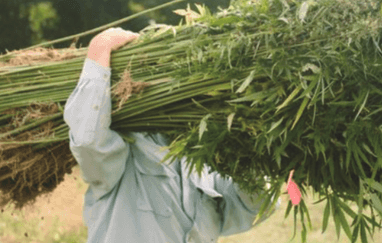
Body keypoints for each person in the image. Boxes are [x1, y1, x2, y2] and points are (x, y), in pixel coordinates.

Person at [63, 27, 272, 243]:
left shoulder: (206, 160)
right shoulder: (131, 149)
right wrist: (100, 48)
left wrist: (253, 144)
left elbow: (255, 206)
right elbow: (89, 140)